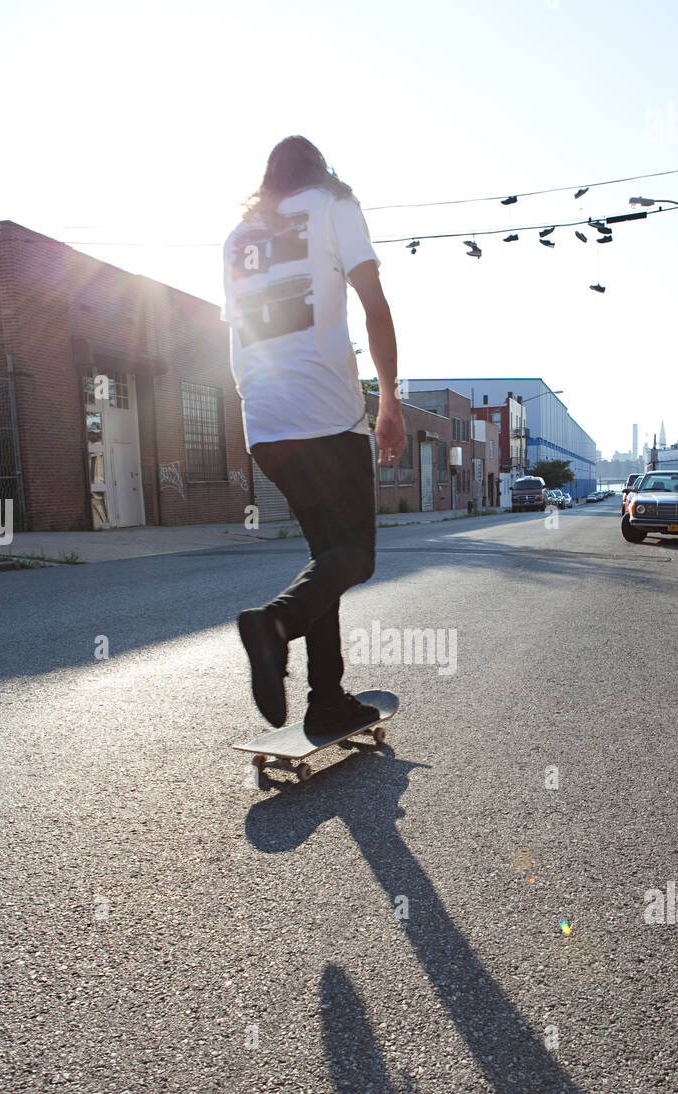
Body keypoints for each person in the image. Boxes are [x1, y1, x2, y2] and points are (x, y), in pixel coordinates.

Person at [222, 136, 405, 732]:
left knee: (326, 557)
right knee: (355, 558)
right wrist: (390, 402)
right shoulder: (333, 205)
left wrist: (258, 409)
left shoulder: (238, 237)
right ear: (318, 171)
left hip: (266, 422)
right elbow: (375, 307)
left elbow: (240, 334)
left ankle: (326, 696)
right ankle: (273, 624)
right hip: (326, 413)